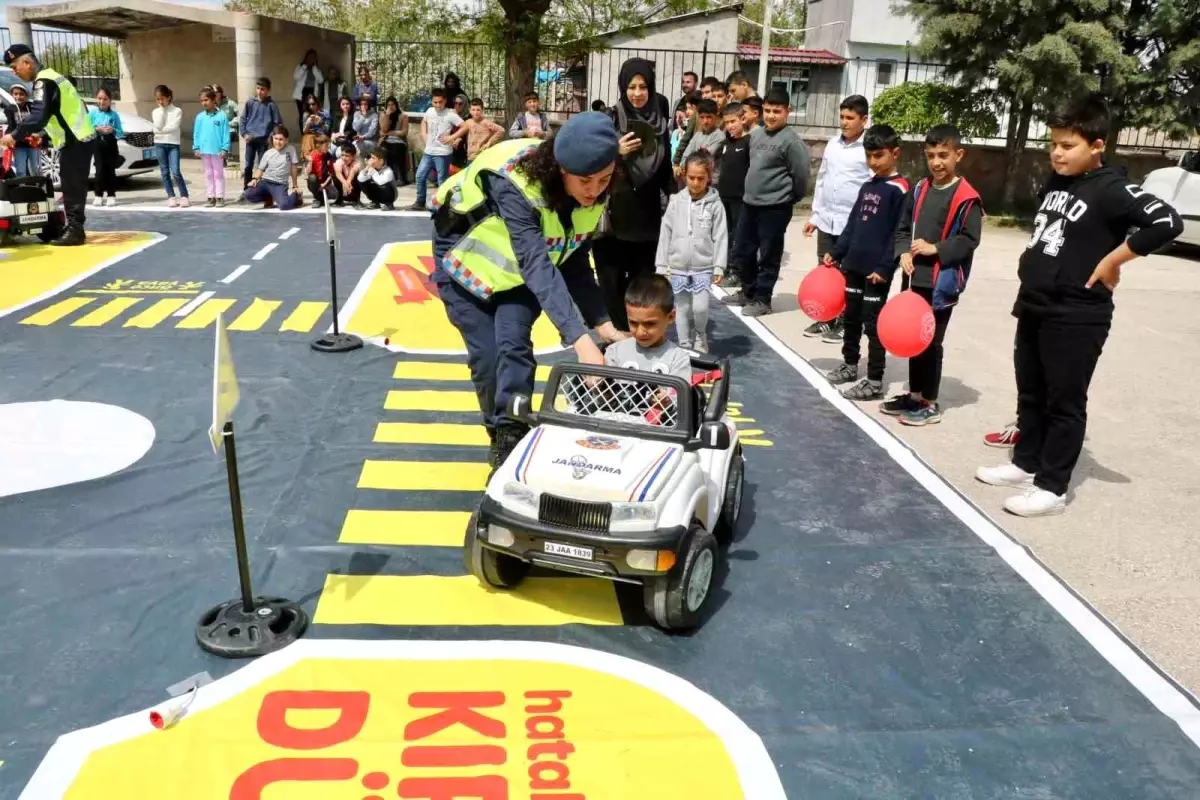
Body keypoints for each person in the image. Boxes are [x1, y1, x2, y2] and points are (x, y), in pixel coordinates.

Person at [976, 94, 1182, 517]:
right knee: (1030, 393)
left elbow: (1167, 222)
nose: (1057, 152)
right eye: (1054, 143)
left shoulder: (1113, 188)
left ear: (1097, 146)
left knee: (1064, 400)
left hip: (1076, 313)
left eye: (1068, 145)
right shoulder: (1056, 181)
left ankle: (1052, 488)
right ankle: (1026, 463)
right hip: (1034, 302)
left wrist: (1114, 259)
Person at [431, 112, 627, 470]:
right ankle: (500, 435)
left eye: (604, 179)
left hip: (515, 273)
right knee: (488, 358)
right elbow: (537, 263)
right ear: (560, 169)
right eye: (585, 181)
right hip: (464, 262)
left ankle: (512, 433)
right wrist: (581, 343)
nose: (594, 190)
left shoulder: (594, 190)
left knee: (514, 345)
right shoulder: (518, 184)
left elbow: (572, 257)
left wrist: (602, 324)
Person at [885, 124, 983, 426]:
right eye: (931, 156)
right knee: (916, 339)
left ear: (959, 155)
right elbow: (902, 228)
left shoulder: (967, 197)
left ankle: (929, 401)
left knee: (932, 342)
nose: (936, 162)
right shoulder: (919, 189)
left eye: (943, 155)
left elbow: (969, 240)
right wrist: (903, 252)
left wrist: (935, 248)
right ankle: (914, 394)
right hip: (915, 280)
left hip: (942, 284)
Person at [822, 124, 909, 401]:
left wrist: (885, 268)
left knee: (873, 326)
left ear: (895, 153)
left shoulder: (900, 189)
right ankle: (850, 365)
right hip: (853, 266)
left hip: (876, 273)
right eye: (869, 156)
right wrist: (837, 252)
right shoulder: (867, 185)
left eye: (879, 156)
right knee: (851, 318)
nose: (873, 162)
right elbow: (852, 226)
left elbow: (899, 233)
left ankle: (874, 380)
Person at [596, 57, 676, 330]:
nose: (638, 93)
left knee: (642, 283)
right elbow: (591, 163)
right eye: (632, 87)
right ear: (623, 87)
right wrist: (615, 152)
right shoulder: (608, 119)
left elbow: (665, 167)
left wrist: (679, 201)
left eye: (643, 87)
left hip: (647, 215)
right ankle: (617, 334)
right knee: (611, 280)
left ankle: (640, 333)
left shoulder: (660, 122)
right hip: (614, 216)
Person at [721, 87, 811, 317]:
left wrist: (790, 198)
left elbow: (801, 175)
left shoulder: (791, 142)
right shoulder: (757, 135)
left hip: (775, 207)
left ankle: (763, 299)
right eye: (767, 110)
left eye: (777, 111)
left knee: (768, 254)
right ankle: (748, 292)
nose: (771, 116)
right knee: (742, 250)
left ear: (787, 111)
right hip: (750, 204)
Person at [1, 44, 96, 245]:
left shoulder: (43, 81)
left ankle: (75, 231)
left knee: (72, 186)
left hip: (75, 139)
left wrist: (15, 135)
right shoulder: (53, 76)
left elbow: (38, 115)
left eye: (15, 67)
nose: (14, 72)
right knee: (71, 184)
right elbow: (56, 113)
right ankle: (73, 228)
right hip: (77, 138)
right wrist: (41, 136)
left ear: (27, 63)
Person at [803, 95, 871, 342]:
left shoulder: (868, 148)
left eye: (850, 118)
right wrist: (816, 215)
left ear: (864, 119)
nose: (844, 122)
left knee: (849, 274)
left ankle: (847, 321)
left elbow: (873, 186)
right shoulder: (832, 144)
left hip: (851, 225)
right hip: (827, 220)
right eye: (842, 117)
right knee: (826, 269)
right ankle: (826, 317)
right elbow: (821, 180)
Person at [655, 151, 726, 353]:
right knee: (682, 307)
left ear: (709, 178)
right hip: (677, 266)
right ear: (684, 175)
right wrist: (661, 264)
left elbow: (720, 236)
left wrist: (719, 265)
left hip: (703, 267)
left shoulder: (715, 205)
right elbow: (665, 233)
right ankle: (684, 343)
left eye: (700, 178)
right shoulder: (676, 201)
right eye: (691, 178)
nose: (695, 182)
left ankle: (700, 335)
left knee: (700, 308)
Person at [605, 274, 693, 381]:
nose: (640, 332)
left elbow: (679, 396)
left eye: (650, 324)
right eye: (633, 323)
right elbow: (601, 395)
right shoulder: (614, 352)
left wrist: (665, 397)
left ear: (671, 317)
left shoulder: (678, 359)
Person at [410, 87, 462, 211]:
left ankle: (443, 203)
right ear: (432, 101)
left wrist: (452, 137)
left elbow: (464, 127)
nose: (438, 105)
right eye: (435, 102)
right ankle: (420, 200)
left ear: (445, 101)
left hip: (443, 153)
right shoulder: (429, 111)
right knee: (420, 176)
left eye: (440, 102)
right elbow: (424, 121)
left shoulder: (450, 114)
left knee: (442, 180)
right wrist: (424, 134)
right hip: (429, 152)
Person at [242, 125, 303, 210]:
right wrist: (254, 179)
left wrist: (295, 186)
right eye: (276, 138)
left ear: (286, 140)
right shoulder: (268, 153)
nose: (278, 142)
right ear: (272, 138)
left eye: (281, 139)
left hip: (280, 184)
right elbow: (260, 169)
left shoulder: (290, 150)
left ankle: (296, 196)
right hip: (265, 183)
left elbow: (293, 167)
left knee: (284, 206)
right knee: (248, 194)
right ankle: (269, 198)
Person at [240, 77, 283, 188]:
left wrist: (271, 137)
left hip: (264, 140)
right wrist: (244, 133)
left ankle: (260, 188)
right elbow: (243, 118)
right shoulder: (250, 102)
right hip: (250, 139)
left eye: (262, 89)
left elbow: (277, 123)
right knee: (248, 165)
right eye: (258, 88)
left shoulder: (271, 105)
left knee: (262, 165)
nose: (259, 91)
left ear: (268, 90)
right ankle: (246, 189)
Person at [193, 87, 231, 207]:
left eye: (206, 100)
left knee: (218, 173)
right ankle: (210, 196)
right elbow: (196, 133)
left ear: (214, 99)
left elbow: (226, 133)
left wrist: (225, 148)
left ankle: (219, 196)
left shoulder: (222, 116)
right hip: (204, 150)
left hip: (217, 151)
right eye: (202, 100)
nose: (204, 103)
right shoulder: (200, 117)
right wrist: (196, 147)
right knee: (208, 173)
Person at [152, 85, 188, 208]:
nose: (160, 102)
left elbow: (174, 127)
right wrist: (162, 110)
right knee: (164, 171)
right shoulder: (156, 112)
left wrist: (161, 130)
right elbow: (157, 126)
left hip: (173, 144)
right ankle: (171, 196)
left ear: (169, 97)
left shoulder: (177, 111)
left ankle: (184, 196)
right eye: (157, 99)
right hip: (159, 144)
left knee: (176, 171)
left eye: (162, 98)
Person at [88, 87, 123, 206]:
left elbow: (120, 132)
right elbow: (87, 128)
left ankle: (111, 194)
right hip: (98, 143)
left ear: (110, 100)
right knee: (99, 170)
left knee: (110, 170)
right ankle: (98, 194)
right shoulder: (93, 113)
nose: (102, 102)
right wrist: (97, 128)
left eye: (105, 99)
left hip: (111, 143)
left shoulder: (114, 115)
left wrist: (112, 129)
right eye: (99, 99)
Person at [444, 98, 504, 166]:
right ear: (470, 110)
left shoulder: (487, 123)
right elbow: (462, 134)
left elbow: (501, 130)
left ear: (482, 110)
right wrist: (458, 139)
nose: (476, 112)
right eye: (473, 110)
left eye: (478, 110)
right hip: (470, 157)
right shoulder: (467, 122)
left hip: (483, 156)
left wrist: (489, 142)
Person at [378, 96, 409, 184]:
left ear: (396, 105)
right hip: (386, 140)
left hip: (399, 141)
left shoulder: (403, 116)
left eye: (393, 105)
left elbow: (404, 132)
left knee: (395, 148)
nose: (391, 107)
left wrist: (389, 133)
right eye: (388, 105)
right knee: (385, 149)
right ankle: (389, 177)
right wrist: (387, 116)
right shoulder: (383, 115)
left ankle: (400, 178)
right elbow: (383, 131)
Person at [292, 49, 324, 129]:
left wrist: (314, 68)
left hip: (312, 93)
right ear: (306, 57)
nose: (311, 59)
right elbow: (296, 77)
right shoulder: (300, 66)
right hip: (302, 93)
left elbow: (321, 80)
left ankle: (312, 132)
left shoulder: (316, 68)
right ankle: (303, 134)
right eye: (310, 57)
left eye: (313, 57)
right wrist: (305, 66)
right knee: (303, 114)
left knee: (312, 114)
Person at [307, 134, 335, 206]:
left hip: (325, 182)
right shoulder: (312, 155)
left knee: (335, 194)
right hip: (315, 183)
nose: (327, 148)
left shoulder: (328, 156)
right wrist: (310, 162)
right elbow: (308, 172)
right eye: (326, 146)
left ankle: (322, 196)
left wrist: (324, 184)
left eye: (328, 146)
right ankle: (317, 199)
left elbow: (332, 173)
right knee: (312, 178)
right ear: (318, 145)